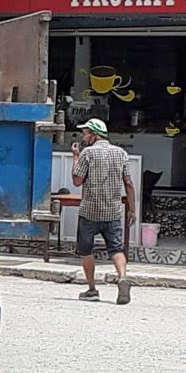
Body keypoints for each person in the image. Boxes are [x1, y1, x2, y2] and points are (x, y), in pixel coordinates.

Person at [72, 118, 136, 305]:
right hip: (113, 211)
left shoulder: (87, 153)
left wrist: (75, 156)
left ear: (94, 134)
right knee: (116, 249)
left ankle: (92, 290)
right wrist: (132, 209)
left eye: (85, 134)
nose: (83, 138)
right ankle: (122, 278)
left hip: (89, 212)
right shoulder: (121, 153)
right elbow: (129, 183)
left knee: (86, 251)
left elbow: (76, 181)